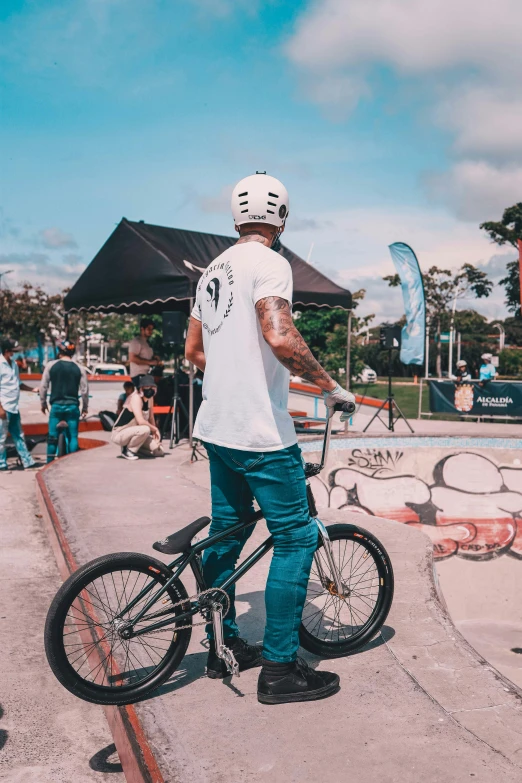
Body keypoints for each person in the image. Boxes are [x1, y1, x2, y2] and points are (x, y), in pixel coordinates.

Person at [185, 172, 355, 705]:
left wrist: (233, 372)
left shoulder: (212, 269)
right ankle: (280, 670)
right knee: (297, 537)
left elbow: (193, 351)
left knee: (226, 536)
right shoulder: (271, 262)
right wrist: (330, 387)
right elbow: (279, 334)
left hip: (217, 428)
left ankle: (224, 645)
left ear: (234, 217)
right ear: (281, 217)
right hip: (260, 432)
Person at [39, 341, 89, 463]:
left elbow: (43, 386)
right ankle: (71, 464)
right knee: (73, 437)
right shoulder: (79, 368)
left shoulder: (51, 365)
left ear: (60, 352)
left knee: (52, 437)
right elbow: (84, 390)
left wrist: (43, 403)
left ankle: (49, 464)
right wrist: (85, 407)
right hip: (72, 407)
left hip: (56, 406)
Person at [0, 339, 40, 471]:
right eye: (13, 351)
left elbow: (18, 383)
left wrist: (32, 390)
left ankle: (27, 461)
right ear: (7, 351)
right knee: (1, 438)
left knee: (19, 435)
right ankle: (1, 463)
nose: (15, 354)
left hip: (14, 407)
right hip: (3, 407)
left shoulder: (14, 365)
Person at [111, 374, 164, 460]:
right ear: (141, 388)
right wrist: (155, 429)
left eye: (152, 387)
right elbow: (140, 421)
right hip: (120, 433)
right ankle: (128, 450)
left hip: (137, 432)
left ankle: (136, 449)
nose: (150, 389)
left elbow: (151, 418)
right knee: (145, 429)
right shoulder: (135, 398)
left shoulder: (149, 398)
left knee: (158, 451)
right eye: (147, 387)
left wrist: (155, 435)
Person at [128, 319, 162, 384]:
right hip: (138, 375)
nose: (151, 331)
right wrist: (150, 362)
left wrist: (155, 359)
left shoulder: (147, 342)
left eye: (152, 329)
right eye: (149, 329)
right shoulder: (136, 341)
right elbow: (132, 358)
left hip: (147, 374)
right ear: (142, 329)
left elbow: (146, 357)